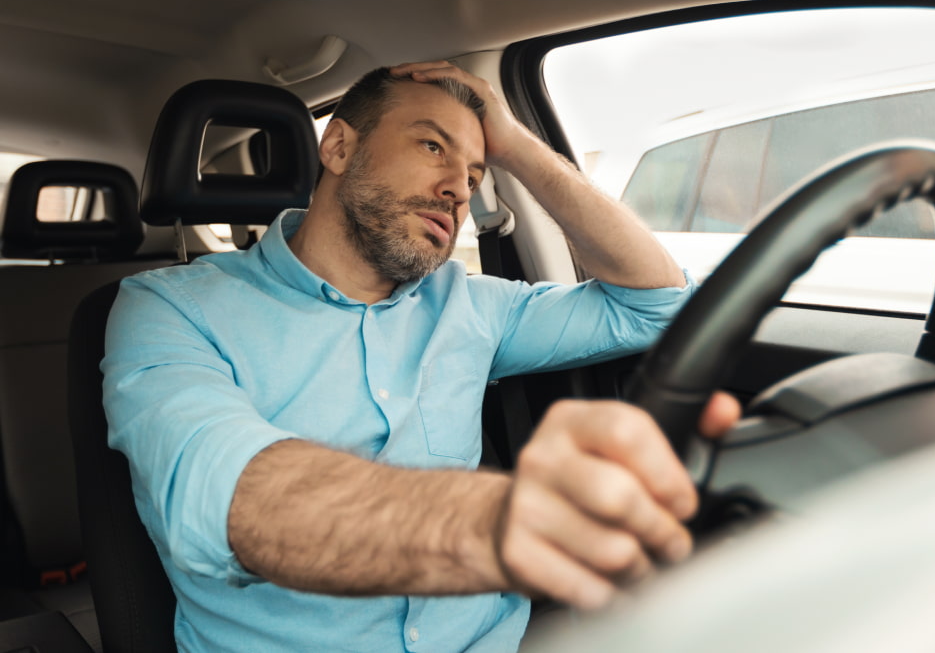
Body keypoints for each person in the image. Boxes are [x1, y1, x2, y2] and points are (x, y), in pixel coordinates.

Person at [102, 61, 740, 652]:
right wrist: (516, 524)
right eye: (433, 146)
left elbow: (658, 306)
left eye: (474, 175)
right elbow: (228, 493)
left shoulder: (471, 305)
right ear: (340, 147)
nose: (456, 189)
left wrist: (514, 145)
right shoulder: (167, 309)